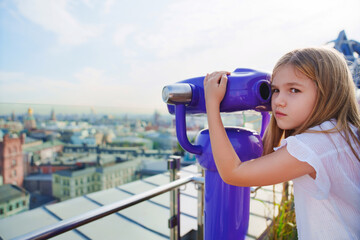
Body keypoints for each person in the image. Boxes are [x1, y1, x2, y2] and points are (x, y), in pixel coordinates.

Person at [203, 47, 360, 240]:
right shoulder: (342, 133)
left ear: (329, 93)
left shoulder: (313, 146)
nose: (278, 101)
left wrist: (212, 103)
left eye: (294, 90)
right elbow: (266, 158)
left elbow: (233, 173)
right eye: (275, 90)